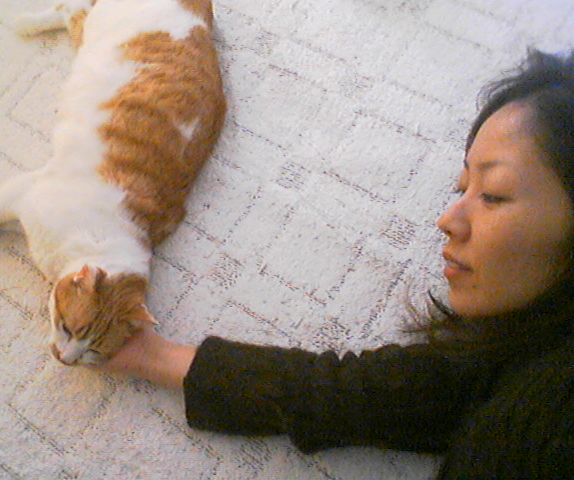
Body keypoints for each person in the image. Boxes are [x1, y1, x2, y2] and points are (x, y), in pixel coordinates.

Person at [95, 49, 574, 479]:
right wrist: (150, 355)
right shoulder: (515, 347)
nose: (447, 220)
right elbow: (373, 395)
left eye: (493, 194)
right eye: (462, 188)